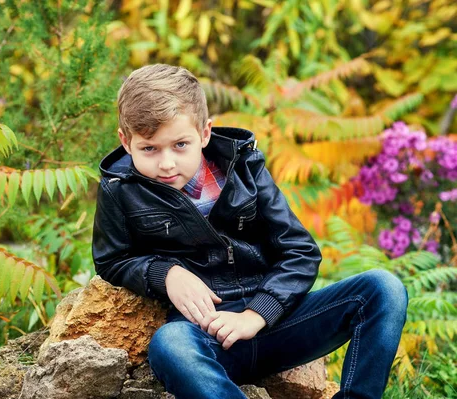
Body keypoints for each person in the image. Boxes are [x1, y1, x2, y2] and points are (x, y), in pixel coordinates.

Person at [92, 64, 408, 399]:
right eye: (150, 149)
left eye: (180, 145)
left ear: (204, 133)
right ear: (126, 142)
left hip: (277, 323)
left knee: (382, 288)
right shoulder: (119, 188)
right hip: (205, 333)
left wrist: (257, 314)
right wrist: (166, 273)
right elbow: (112, 259)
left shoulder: (243, 167)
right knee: (169, 344)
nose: (167, 163)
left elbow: (300, 251)